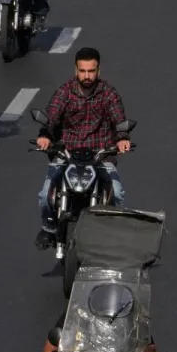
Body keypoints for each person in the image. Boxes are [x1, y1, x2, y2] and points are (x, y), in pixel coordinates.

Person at [35, 47, 132, 248]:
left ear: (98, 70)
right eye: (82, 71)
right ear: (76, 70)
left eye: (91, 71)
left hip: (99, 157)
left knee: (117, 193)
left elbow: (118, 119)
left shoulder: (109, 93)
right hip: (67, 155)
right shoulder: (64, 92)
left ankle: (112, 234)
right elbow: (51, 116)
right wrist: (44, 136)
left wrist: (122, 139)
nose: (87, 76)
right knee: (45, 195)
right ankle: (49, 229)